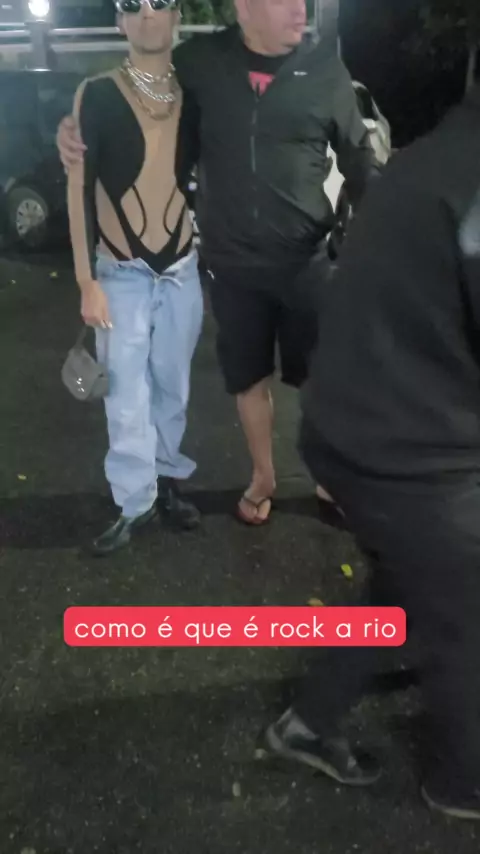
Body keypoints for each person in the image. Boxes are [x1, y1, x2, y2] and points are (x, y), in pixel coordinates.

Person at [58, 0, 380, 527]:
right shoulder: (204, 61)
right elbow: (141, 76)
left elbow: (359, 158)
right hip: (233, 266)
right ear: (246, 8)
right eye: (285, 1)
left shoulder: (325, 68)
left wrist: (391, 224)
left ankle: (329, 479)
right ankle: (263, 477)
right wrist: (70, 129)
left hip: (306, 261)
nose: (300, 10)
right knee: (247, 379)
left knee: (322, 379)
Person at [264, 84, 480, 820]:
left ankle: (306, 724)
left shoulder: (425, 161)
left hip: (355, 429)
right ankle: (464, 783)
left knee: (412, 587)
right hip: (411, 452)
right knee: (464, 606)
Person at [67, 0, 203, 556]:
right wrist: (86, 281)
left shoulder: (196, 92)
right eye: (132, 4)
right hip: (120, 273)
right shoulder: (97, 94)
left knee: (174, 386)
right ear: (119, 21)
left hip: (182, 270)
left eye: (160, 2)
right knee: (124, 395)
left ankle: (166, 480)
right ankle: (134, 499)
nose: (148, 13)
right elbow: (78, 187)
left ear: (177, 15)